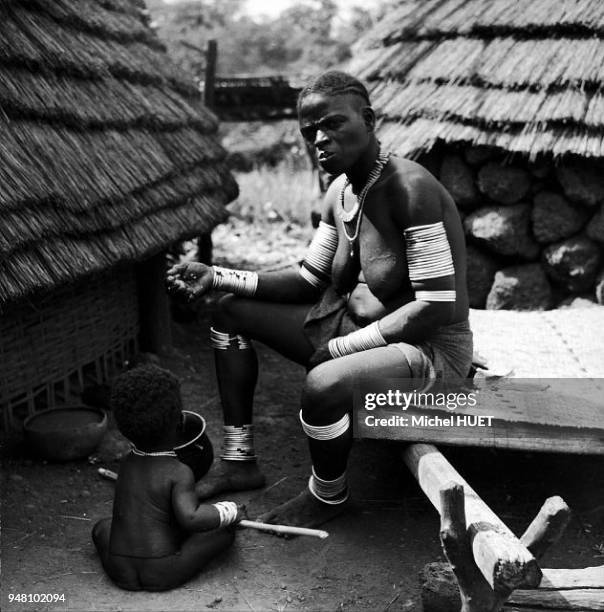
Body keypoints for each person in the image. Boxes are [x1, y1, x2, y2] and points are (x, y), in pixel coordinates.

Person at [166, 70, 472, 529]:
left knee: (324, 384)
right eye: (310, 133)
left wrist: (344, 348)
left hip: (428, 349)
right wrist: (219, 277)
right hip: (350, 327)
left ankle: (328, 496)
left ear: (368, 119)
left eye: (332, 124)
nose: (320, 140)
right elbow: (309, 279)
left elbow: (436, 307)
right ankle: (240, 458)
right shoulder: (341, 191)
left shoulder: (412, 190)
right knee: (228, 313)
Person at [91, 364, 244, 591]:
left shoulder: (126, 463)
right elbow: (191, 518)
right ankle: (227, 526)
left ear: (124, 428)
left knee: (102, 528)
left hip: (119, 568)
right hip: (162, 570)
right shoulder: (178, 471)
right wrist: (230, 511)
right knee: (222, 534)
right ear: (180, 422)